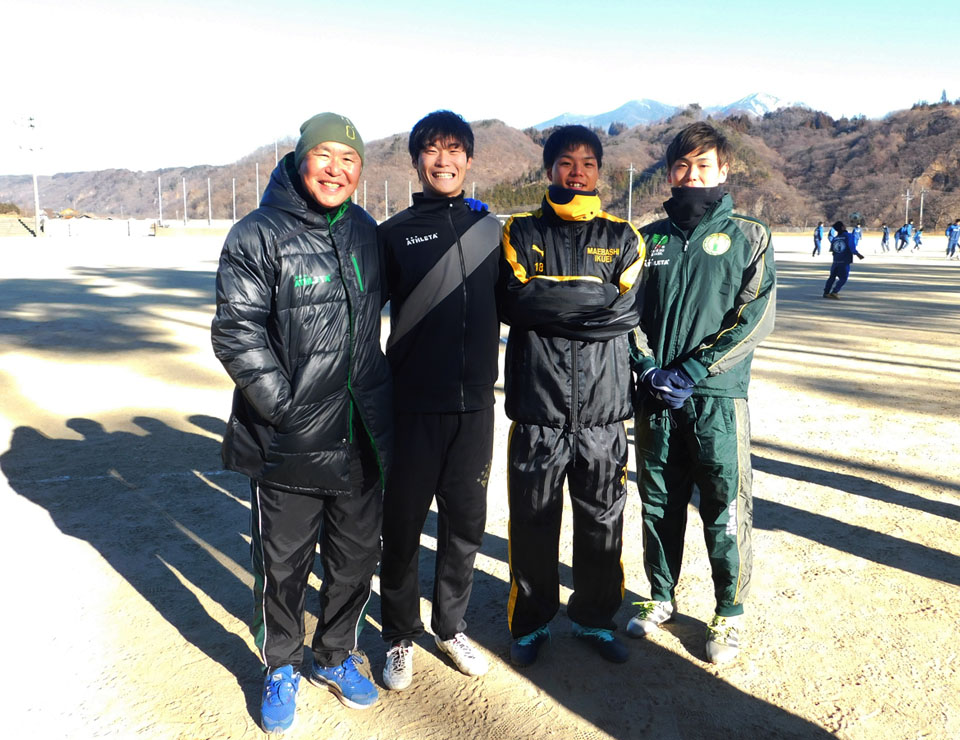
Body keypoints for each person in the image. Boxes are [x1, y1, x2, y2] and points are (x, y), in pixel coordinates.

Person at [211, 112, 393, 733]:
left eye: (350, 159)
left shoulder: (366, 231)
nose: (336, 170)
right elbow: (236, 333)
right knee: (282, 566)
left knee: (354, 558)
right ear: (300, 158)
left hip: (361, 432)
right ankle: (282, 664)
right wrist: (286, 408)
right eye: (325, 155)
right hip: (288, 438)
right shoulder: (256, 234)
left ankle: (336, 654)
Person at [628, 122, 776, 665]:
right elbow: (626, 314)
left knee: (724, 505)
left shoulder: (749, 235)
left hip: (717, 399)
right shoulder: (648, 239)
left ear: (723, 169)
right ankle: (660, 596)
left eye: (704, 165)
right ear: (669, 172)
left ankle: (728, 611)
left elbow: (754, 317)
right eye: (682, 166)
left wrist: (693, 368)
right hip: (656, 399)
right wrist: (647, 369)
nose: (692, 175)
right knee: (658, 503)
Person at [499, 125, 643, 667]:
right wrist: (595, 298)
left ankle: (594, 619)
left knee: (602, 522)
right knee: (532, 523)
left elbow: (628, 312)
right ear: (548, 169)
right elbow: (516, 303)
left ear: (600, 171)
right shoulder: (519, 230)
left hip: (604, 415)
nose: (576, 172)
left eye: (587, 163)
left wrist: (551, 297)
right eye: (565, 162)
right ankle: (531, 623)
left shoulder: (624, 236)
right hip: (538, 411)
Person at [377, 111, 502, 691]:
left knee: (465, 526)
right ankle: (399, 635)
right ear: (416, 161)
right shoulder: (394, 234)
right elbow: (359, 313)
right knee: (402, 525)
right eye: (432, 150)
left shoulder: (491, 230)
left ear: (469, 160)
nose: (444, 160)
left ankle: (450, 627)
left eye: (455, 150)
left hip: (475, 407)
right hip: (412, 407)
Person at [823, 220, 865, 298]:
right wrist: (858, 254)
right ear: (842, 227)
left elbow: (832, 250)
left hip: (836, 261)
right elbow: (852, 247)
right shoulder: (848, 236)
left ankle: (826, 292)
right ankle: (835, 292)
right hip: (844, 260)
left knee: (832, 277)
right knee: (843, 278)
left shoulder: (835, 238)